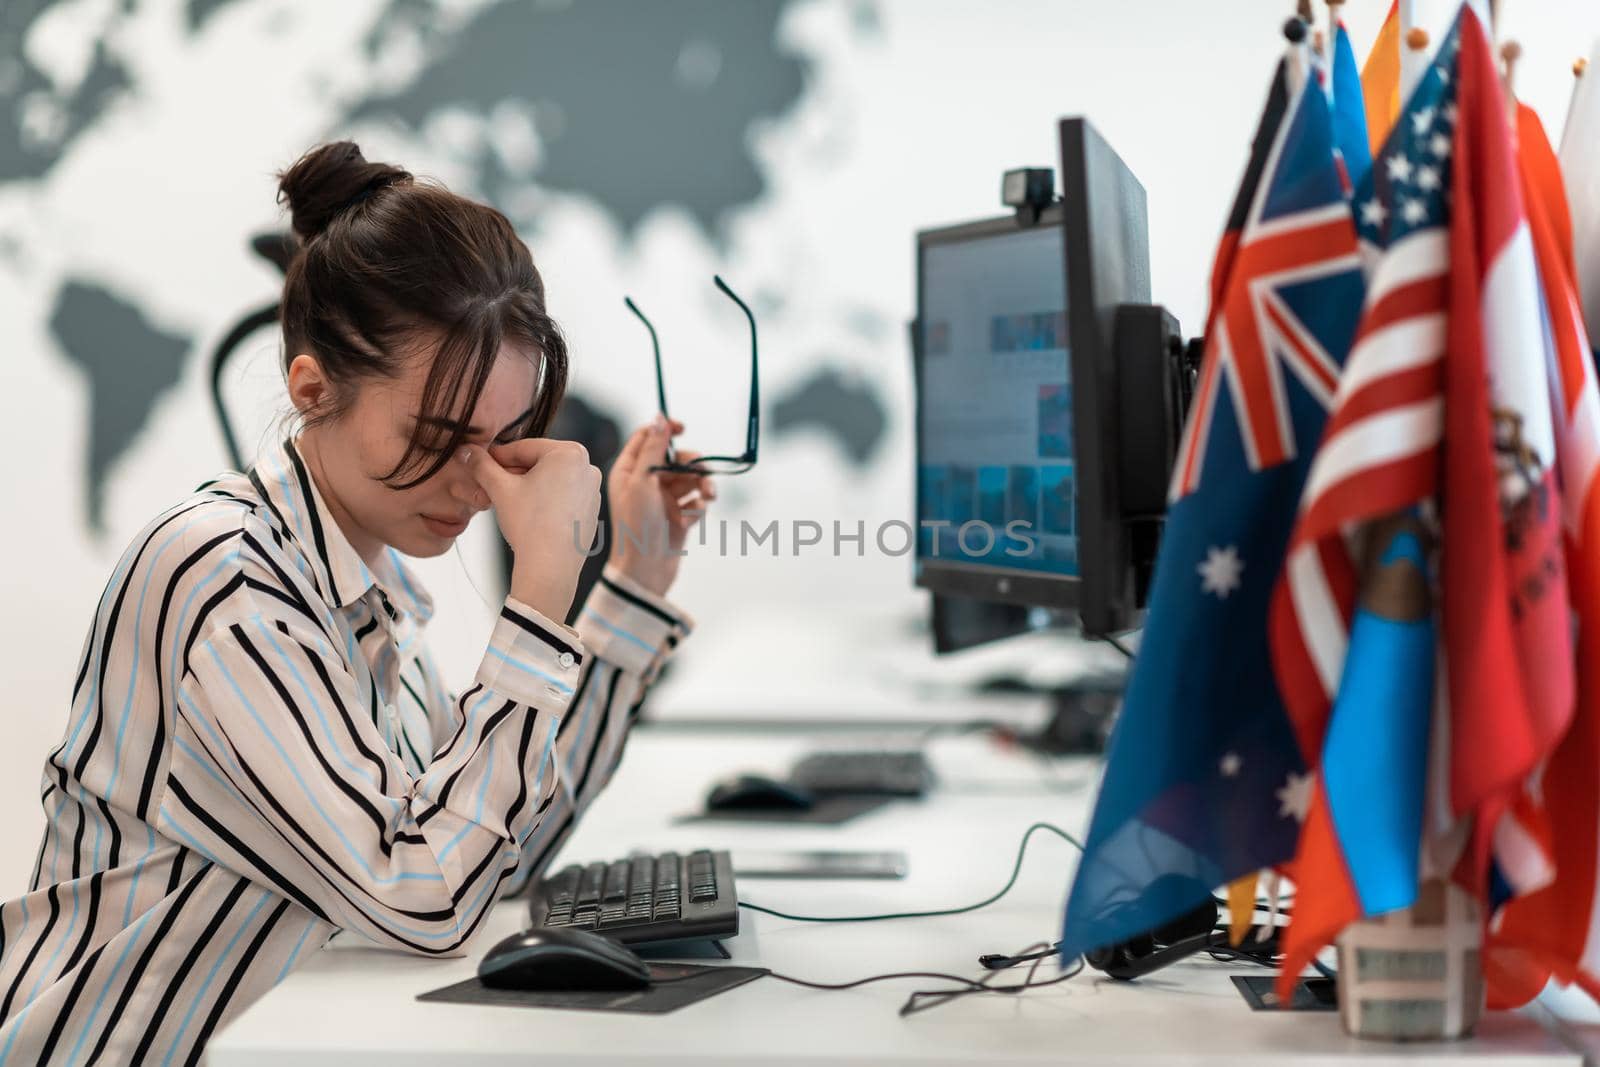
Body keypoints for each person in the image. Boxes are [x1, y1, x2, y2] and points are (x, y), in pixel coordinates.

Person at [0, 141, 714, 1065]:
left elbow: (483, 847)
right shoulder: (230, 583)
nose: (481, 482)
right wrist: (543, 595)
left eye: (504, 440)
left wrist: (632, 589)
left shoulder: (363, 591)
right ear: (313, 385)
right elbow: (428, 898)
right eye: (439, 435)